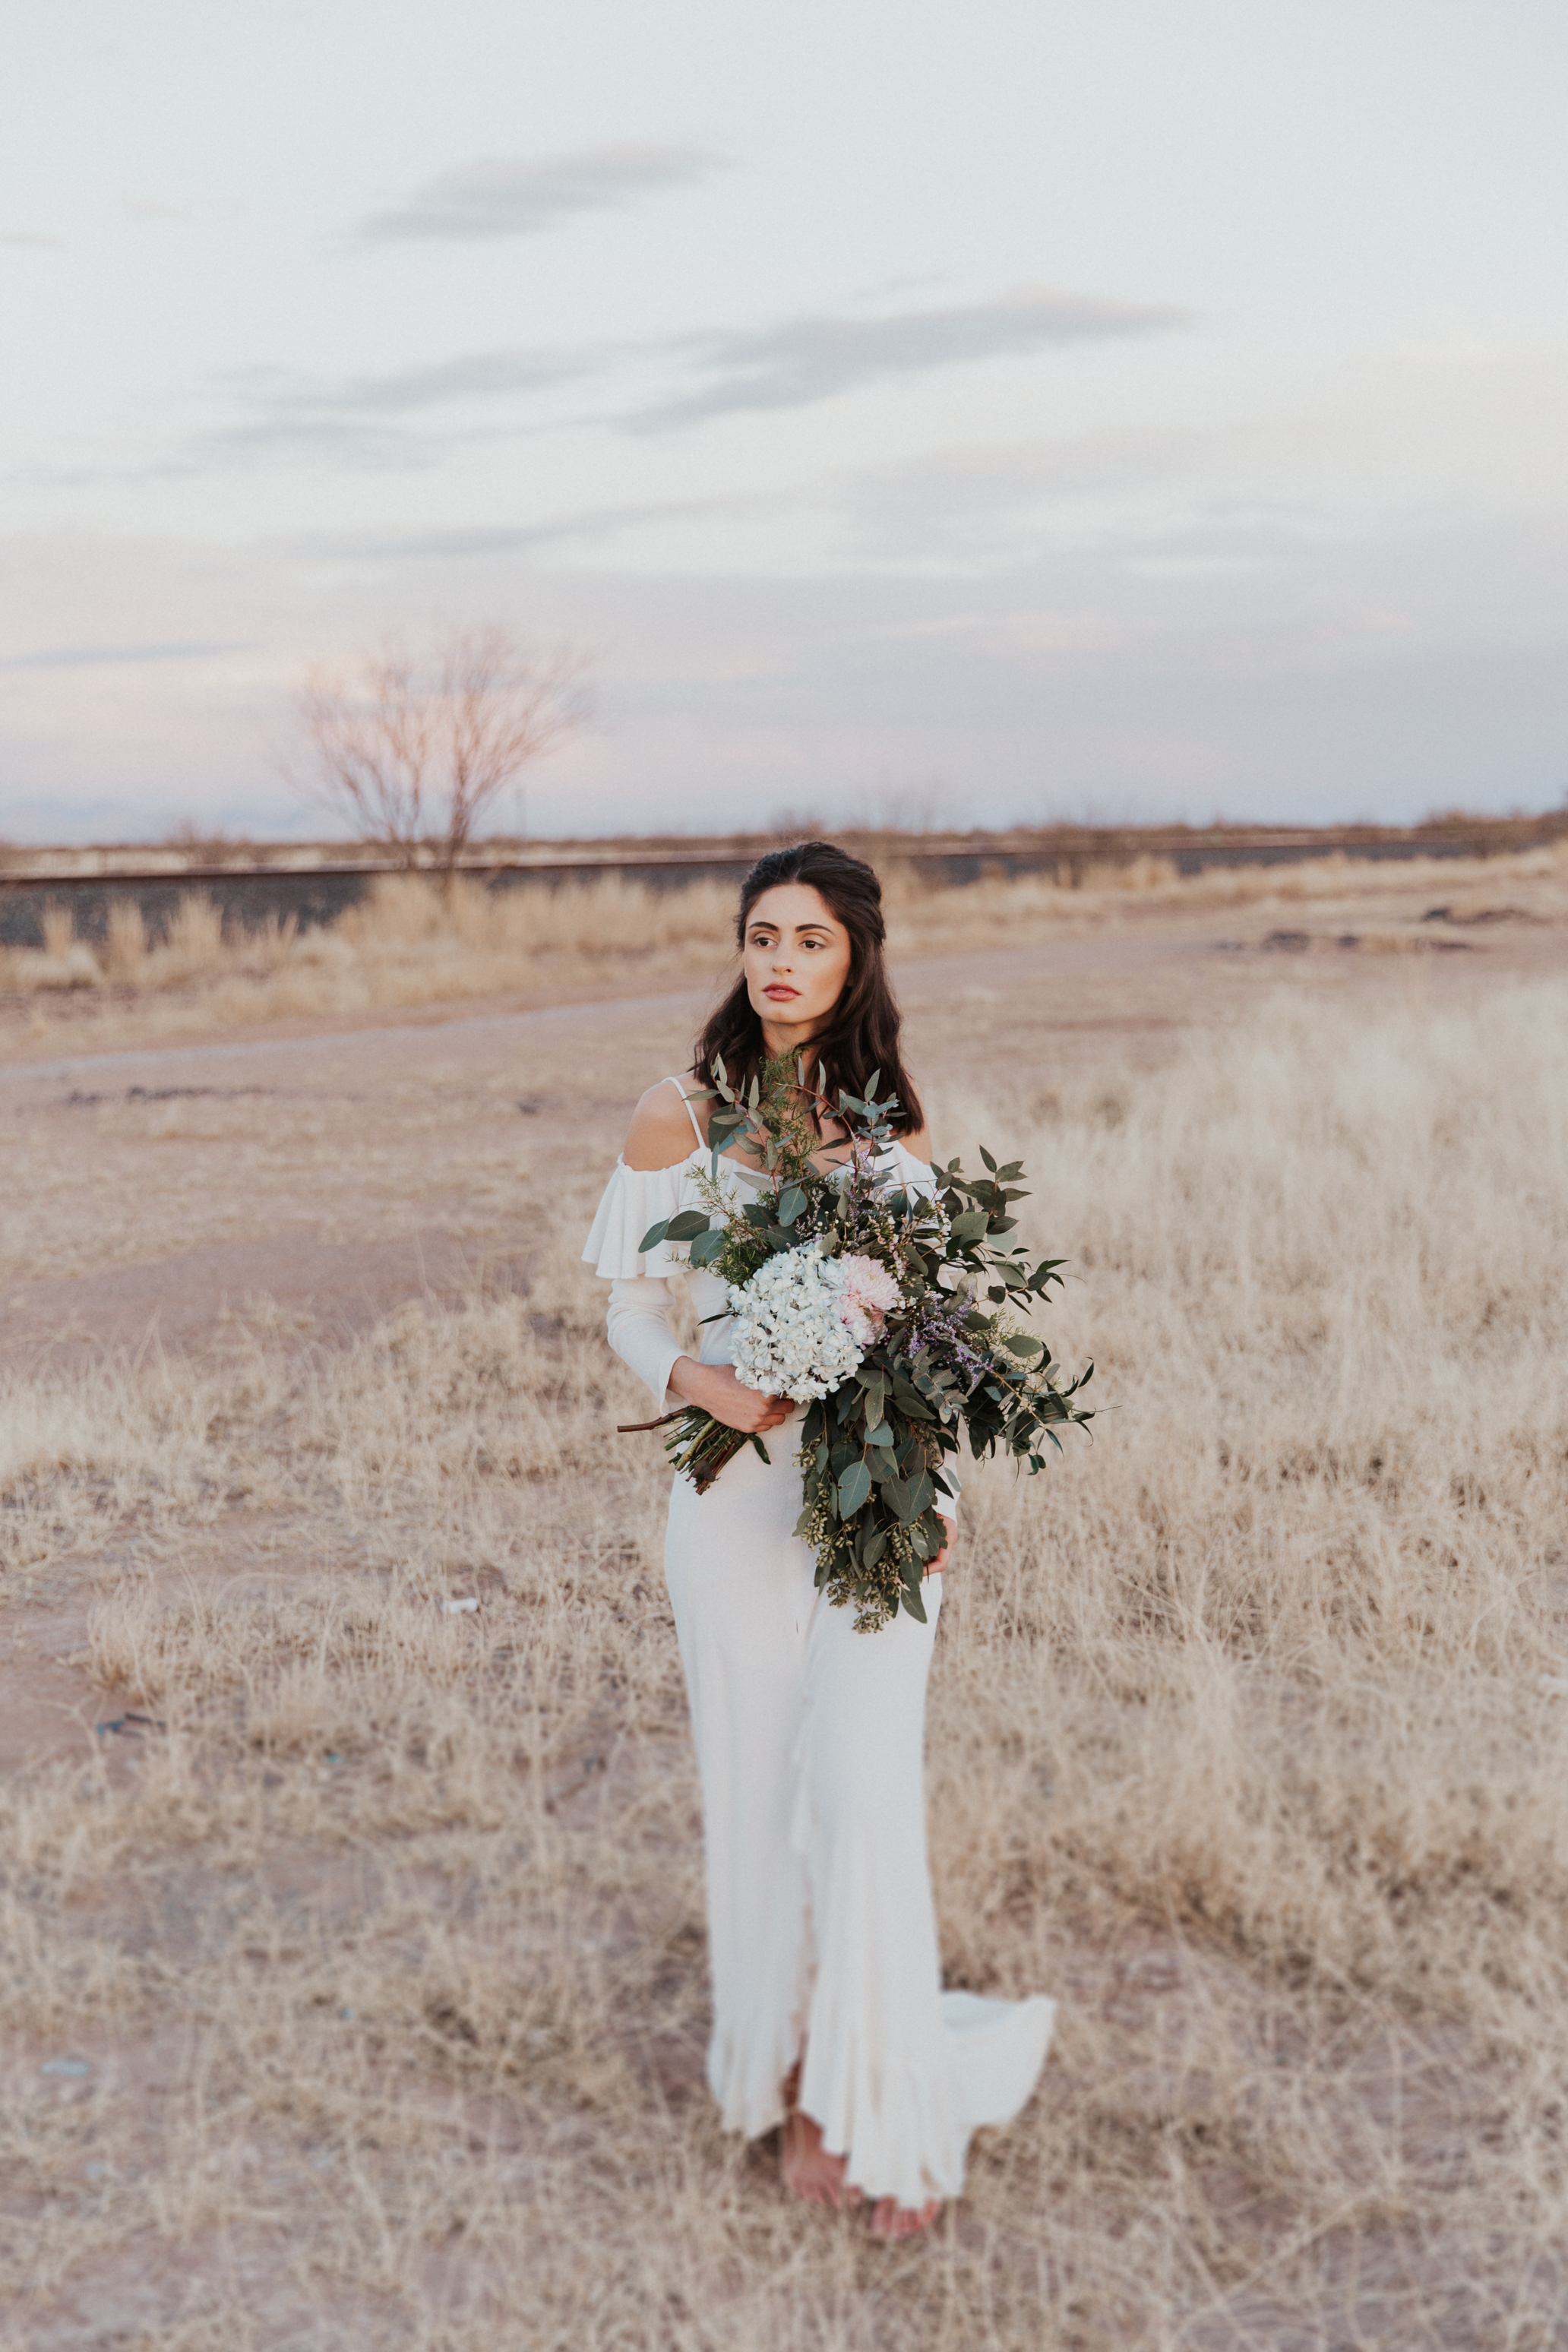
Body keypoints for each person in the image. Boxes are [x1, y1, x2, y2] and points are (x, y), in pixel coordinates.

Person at [583, 840, 1055, 2240]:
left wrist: (944, 1498)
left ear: (856, 958)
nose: (780, 961)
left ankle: (881, 2110)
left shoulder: (890, 1119)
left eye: (810, 940)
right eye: (760, 935)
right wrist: (698, 1381)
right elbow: (625, 1302)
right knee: (757, 1790)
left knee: (860, 1792)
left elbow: (925, 1334)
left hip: (874, 1497)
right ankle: (795, 2077)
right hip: (730, 1498)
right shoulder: (680, 1112)